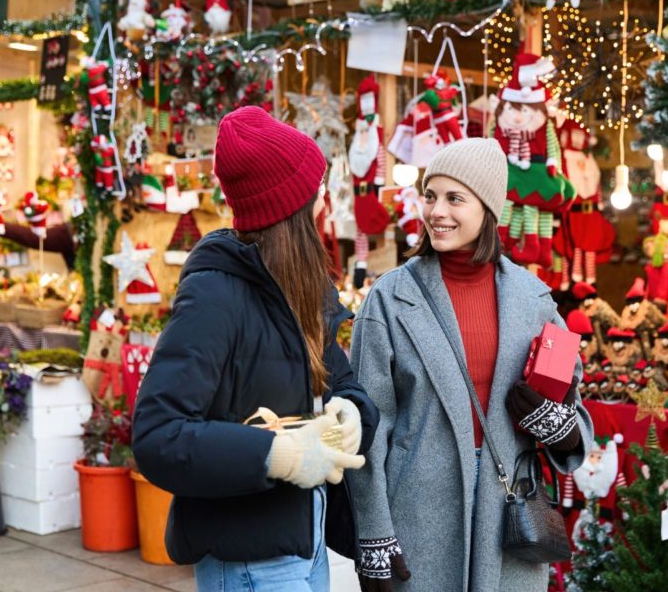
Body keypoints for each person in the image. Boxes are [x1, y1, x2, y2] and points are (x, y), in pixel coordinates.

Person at [133, 106, 380, 592]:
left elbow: (341, 381)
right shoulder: (215, 295)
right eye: (318, 192)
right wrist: (278, 455)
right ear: (290, 211)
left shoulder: (304, 287)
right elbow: (158, 435)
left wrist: (352, 414)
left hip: (305, 539)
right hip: (248, 558)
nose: (325, 203)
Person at [346, 138, 593, 592]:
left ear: (487, 210)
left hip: (510, 517)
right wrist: (374, 531)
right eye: (431, 195)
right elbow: (367, 426)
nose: (437, 211)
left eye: (454, 198)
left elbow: (573, 403)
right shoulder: (390, 298)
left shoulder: (532, 298)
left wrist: (558, 425)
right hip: (418, 516)